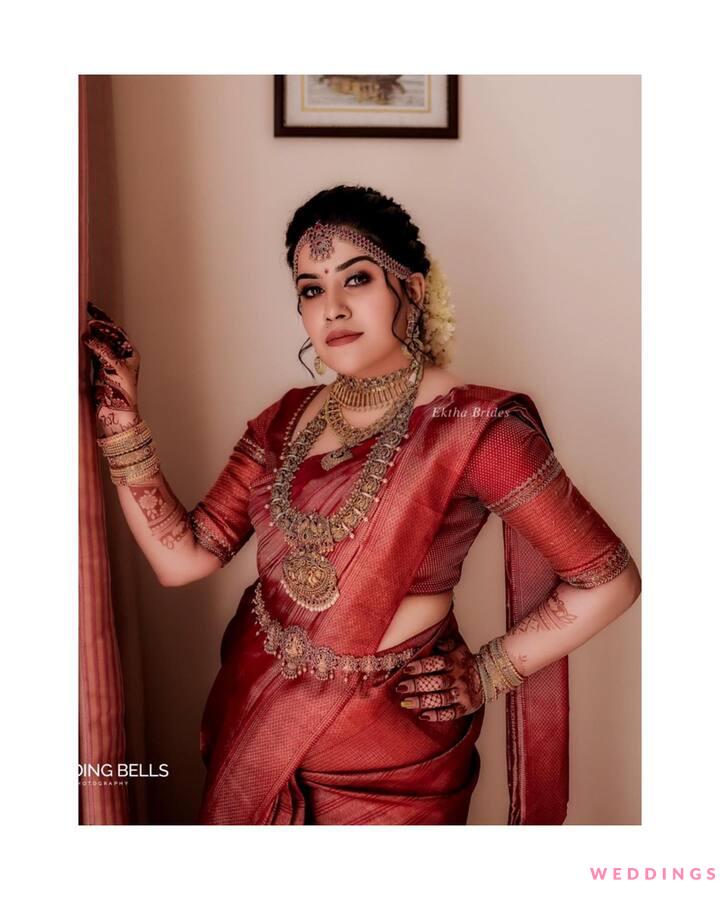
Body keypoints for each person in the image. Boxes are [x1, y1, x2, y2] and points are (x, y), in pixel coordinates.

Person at [81, 184, 641, 826]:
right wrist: (120, 419)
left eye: (358, 279)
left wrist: (488, 672)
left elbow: (607, 579)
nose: (334, 308)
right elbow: (184, 558)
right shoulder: (283, 421)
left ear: (415, 289)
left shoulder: (475, 426)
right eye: (311, 289)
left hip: (390, 752)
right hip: (258, 708)